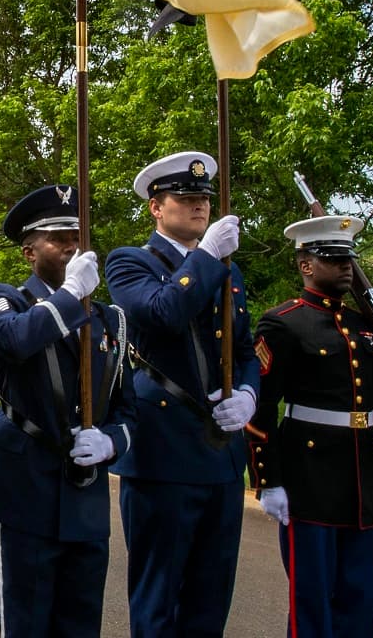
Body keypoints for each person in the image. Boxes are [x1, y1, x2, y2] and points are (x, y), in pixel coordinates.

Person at [0, 184, 136, 638]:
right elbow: (14, 341)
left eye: (77, 235)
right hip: (26, 484)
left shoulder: (109, 319)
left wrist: (112, 439)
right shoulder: (3, 299)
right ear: (30, 252)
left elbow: (130, 406)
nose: (72, 245)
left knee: (80, 621)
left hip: (85, 492)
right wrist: (70, 294)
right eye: (58, 237)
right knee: (27, 620)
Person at [250, 215, 373, 638]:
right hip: (309, 481)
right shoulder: (282, 323)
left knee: (360, 601)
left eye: (348, 259)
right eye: (333, 259)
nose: (345, 267)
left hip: (363, 482)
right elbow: (262, 407)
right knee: (313, 603)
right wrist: (268, 481)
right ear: (306, 265)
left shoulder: (364, 327)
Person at [104, 151, 260, 637]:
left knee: (210, 597)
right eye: (186, 198)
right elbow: (164, 312)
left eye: (204, 199)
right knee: (160, 596)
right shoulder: (131, 262)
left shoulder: (227, 271)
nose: (199, 207)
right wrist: (207, 257)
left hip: (220, 454)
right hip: (163, 452)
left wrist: (250, 395)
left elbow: (246, 349)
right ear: (156, 207)